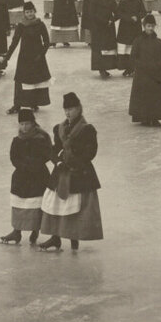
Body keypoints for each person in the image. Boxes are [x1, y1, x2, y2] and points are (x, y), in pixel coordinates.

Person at [38, 92, 103, 252]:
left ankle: (74, 238)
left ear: (79, 109)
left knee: (75, 206)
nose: (68, 112)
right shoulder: (59, 129)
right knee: (56, 205)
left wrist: (74, 161)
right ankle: (55, 238)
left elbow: (90, 153)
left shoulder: (87, 129)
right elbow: (54, 150)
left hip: (79, 173)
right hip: (61, 172)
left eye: (71, 109)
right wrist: (58, 161)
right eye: (66, 109)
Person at [0, 108, 52, 245]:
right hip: (21, 177)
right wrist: (23, 166)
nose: (24, 127)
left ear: (33, 123)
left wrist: (35, 164)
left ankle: (35, 230)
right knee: (19, 204)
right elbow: (13, 157)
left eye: (27, 123)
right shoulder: (17, 140)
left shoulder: (41, 138)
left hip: (38, 176)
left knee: (36, 205)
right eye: (21, 124)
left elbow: (47, 154)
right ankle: (17, 231)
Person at [3, 1, 52, 112]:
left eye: (31, 11)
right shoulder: (21, 25)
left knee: (36, 81)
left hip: (38, 58)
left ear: (34, 11)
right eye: (27, 12)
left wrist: (41, 54)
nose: (29, 14)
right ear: (24, 13)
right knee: (21, 81)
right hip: (24, 58)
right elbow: (15, 42)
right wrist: (7, 57)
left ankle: (33, 103)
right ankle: (17, 105)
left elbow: (47, 42)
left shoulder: (40, 24)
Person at [129, 14, 161, 126]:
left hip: (157, 75)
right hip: (143, 76)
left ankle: (155, 118)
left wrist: (158, 65)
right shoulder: (138, 41)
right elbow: (133, 57)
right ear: (144, 26)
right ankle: (144, 117)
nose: (150, 28)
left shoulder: (159, 42)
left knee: (156, 96)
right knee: (144, 96)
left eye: (152, 26)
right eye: (148, 26)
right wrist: (143, 66)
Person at [86, 0, 119, 79]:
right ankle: (101, 69)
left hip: (109, 27)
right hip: (98, 28)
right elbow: (92, 14)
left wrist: (112, 20)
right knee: (99, 48)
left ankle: (107, 67)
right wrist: (103, 21)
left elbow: (117, 11)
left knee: (108, 47)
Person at [115, 0, 146, 76]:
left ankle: (133, 68)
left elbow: (143, 12)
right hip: (124, 29)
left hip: (135, 28)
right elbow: (119, 13)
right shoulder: (122, 1)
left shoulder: (138, 1)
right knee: (125, 49)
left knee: (133, 48)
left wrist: (137, 17)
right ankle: (127, 68)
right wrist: (129, 18)